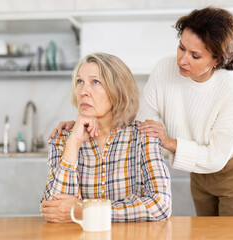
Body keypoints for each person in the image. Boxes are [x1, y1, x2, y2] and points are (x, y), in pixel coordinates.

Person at [50, 7, 233, 216]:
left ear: (217, 60)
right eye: (181, 47)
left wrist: (169, 142)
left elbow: (216, 157)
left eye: (195, 56)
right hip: (198, 170)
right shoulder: (165, 69)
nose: (182, 60)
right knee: (205, 233)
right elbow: (143, 120)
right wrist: (85, 121)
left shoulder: (231, 86)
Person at [40, 52, 171, 223]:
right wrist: (73, 143)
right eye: (80, 82)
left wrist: (84, 210)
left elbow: (161, 205)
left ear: (118, 90)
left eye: (95, 82)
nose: (83, 91)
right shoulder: (63, 138)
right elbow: (53, 209)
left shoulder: (144, 137)